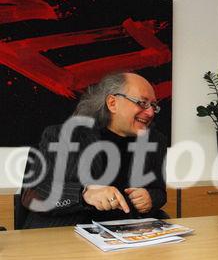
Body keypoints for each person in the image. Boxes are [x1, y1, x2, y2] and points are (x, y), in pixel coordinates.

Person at [21, 72, 168, 228]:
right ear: (112, 103)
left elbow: (159, 192)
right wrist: (84, 194)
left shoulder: (155, 140)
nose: (150, 112)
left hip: (130, 236)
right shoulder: (63, 136)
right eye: (142, 103)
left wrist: (150, 197)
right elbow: (34, 195)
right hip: (67, 237)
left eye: (153, 105)